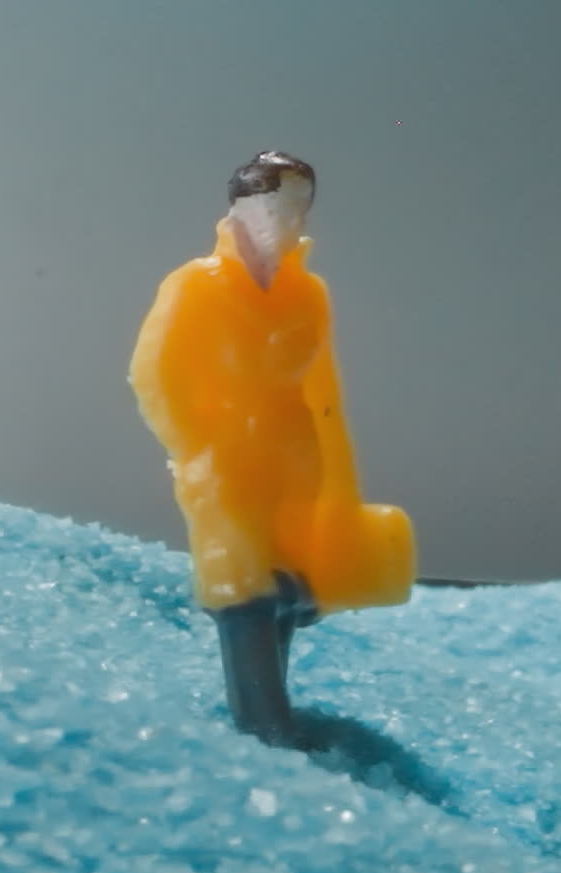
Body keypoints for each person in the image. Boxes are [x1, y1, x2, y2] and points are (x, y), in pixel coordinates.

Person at [129, 151, 415, 745]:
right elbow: (156, 374)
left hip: (294, 461)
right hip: (226, 464)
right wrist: (199, 448)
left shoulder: (307, 294)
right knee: (243, 593)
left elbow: (325, 393)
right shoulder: (197, 285)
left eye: (299, 207)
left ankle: (272, 713)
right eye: (277, 204)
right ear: (242, 206)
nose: (289, 220)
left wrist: (339, 486)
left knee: (289, 588)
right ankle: (261, 724)